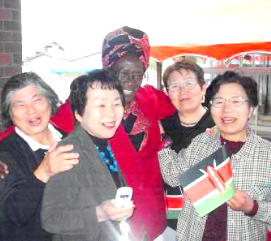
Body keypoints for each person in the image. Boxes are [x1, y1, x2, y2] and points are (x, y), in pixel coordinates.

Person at [0, 26, 175, 240]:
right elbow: (38, 121)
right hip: (111, 222)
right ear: (108, 69)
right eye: (123, 73)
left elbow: (186, 113)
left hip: (152, 215)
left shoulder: (152, 98)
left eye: (138, 73)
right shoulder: (88, 105)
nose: (131, 81)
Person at [158, 71, 271, 240]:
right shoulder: (201, 143)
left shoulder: (267, 156)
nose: (226, 109)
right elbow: (173, 175)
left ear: (251, 110)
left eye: (236, 101)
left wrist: (252, 207)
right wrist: (161, 138)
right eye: (219, 102)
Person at [41, 70, 135, 241]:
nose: (112, 113)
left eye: (116, 104)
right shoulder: (68, 152)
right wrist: (99, 213)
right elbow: (51, 219)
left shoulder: (109, 141)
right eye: (101, 105)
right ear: (79, 113)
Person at [0, 72, 79, 241]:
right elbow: (12, 215)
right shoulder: (4, 153)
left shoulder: (69, 139)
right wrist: (43, 173)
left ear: (50, 101)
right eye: (20, 105)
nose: (31, 110)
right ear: (9, 113)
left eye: (37, 100)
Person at [160, 60, 215, 229]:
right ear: (167, 92)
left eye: (189, 83)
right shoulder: (161, 126)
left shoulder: (219, 124)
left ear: (203, 87)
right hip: (170, 221)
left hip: (210, 220)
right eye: (174, 86)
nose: (183, 91)